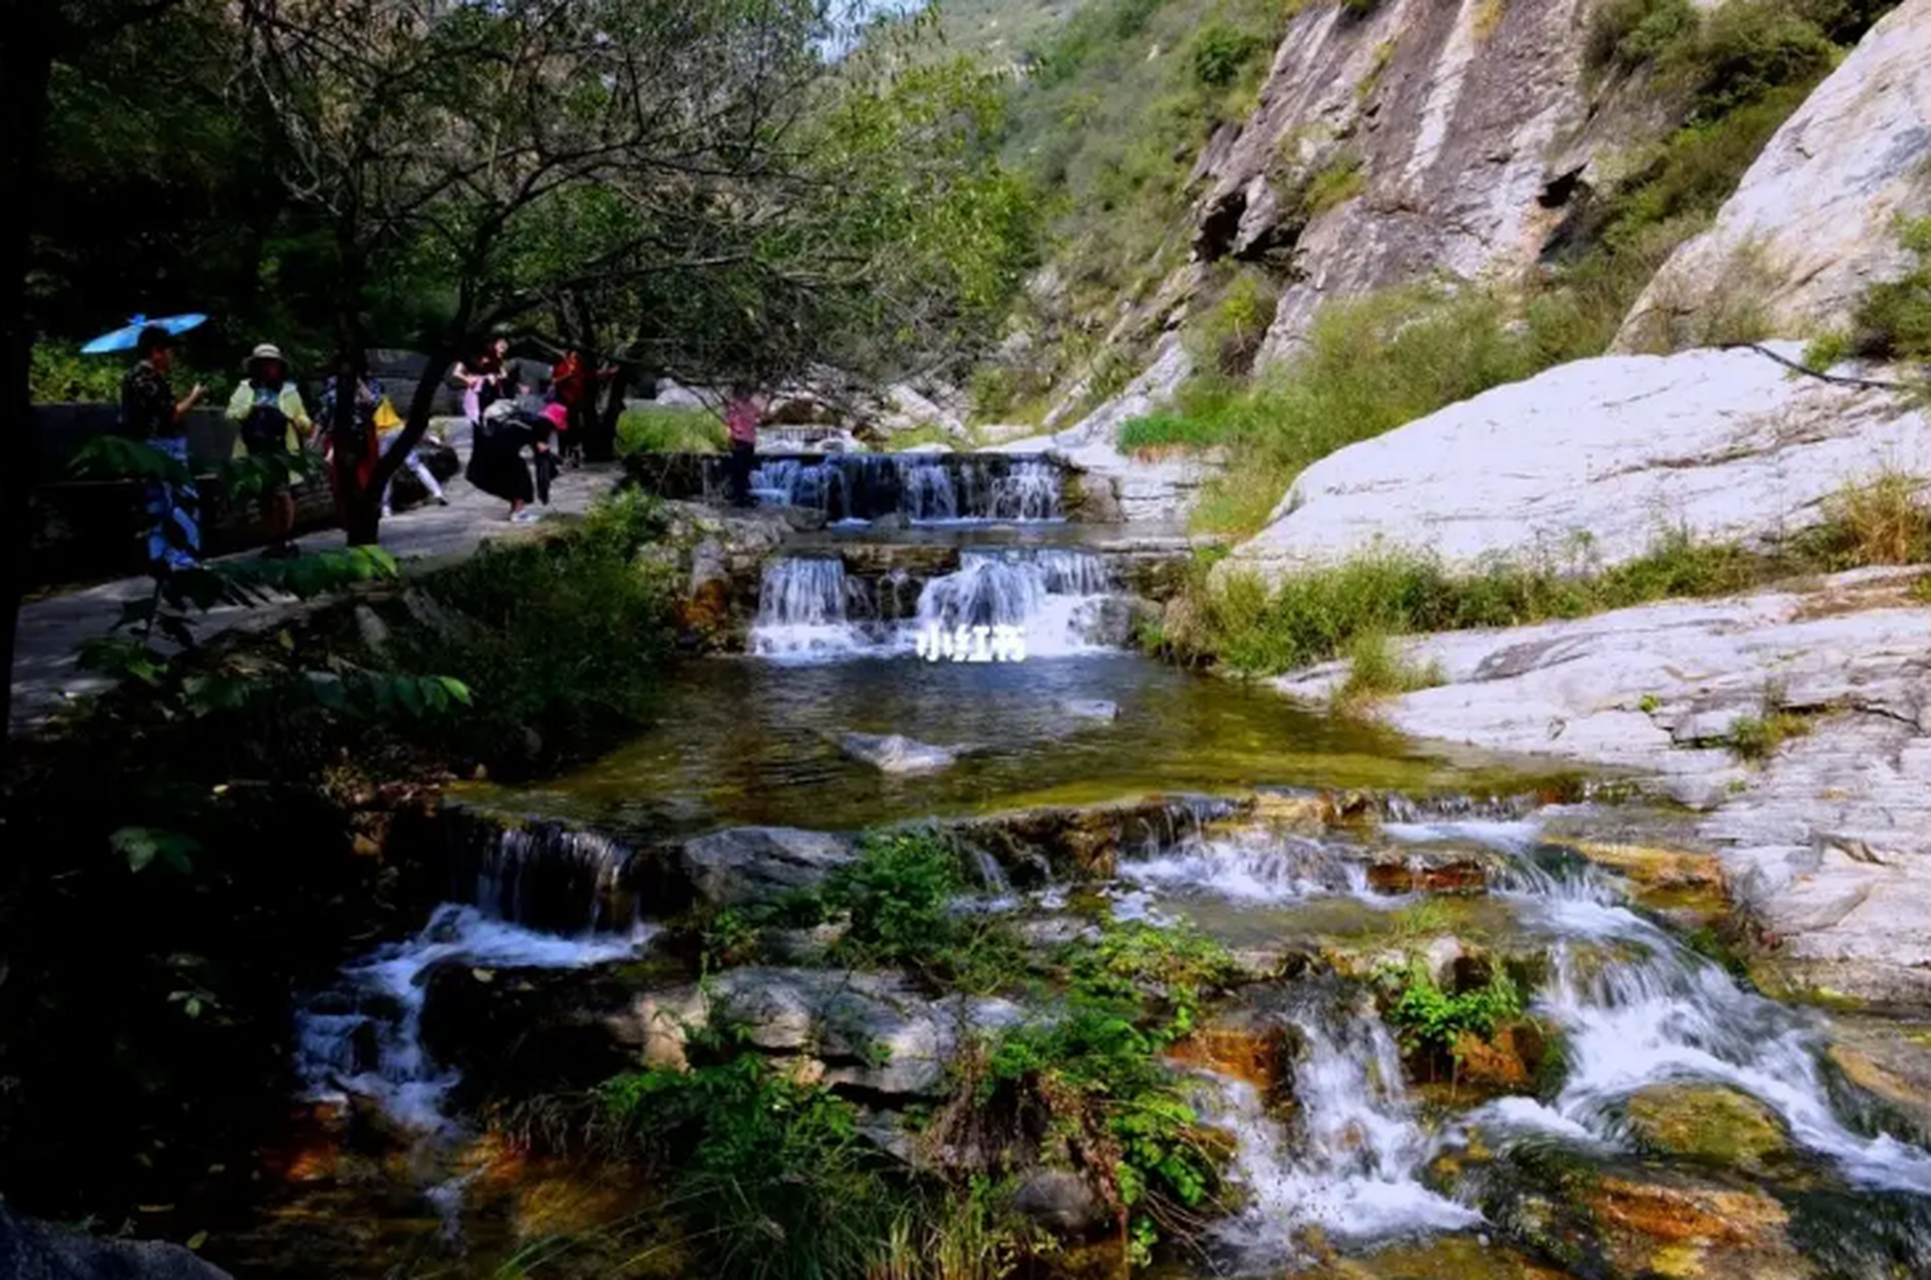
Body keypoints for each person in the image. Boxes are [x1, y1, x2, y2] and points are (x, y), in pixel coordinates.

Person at [120, 325, 207, 571]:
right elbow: (171, 416)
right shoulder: (149, 380)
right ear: (156, 352)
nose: (172, 358)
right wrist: (194, 396)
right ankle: (184, 556)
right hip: (164, 447)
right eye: (170, 352)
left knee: (156, 504)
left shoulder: (131, 378)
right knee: (182, 501)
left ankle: (159, 557)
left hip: (142, 448)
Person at [225, 342, 313, 558]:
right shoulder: (246, 388)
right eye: (263, 364)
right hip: (254, 450)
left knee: (283, 494)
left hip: (281, 450)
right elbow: (231, 414)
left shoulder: (288, 390)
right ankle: (273, 539)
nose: (268, 368)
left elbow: (302, 417)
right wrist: (251, 407)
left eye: (272, 364)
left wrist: (299, 421)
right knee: (264, 496)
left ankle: (286, 537)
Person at [550, 347, 614, 466]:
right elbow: (554, 381)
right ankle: (562, 453)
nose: (575, 360)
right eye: (573, 357)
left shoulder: (580, 368)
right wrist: (567, 375)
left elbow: (592, 375)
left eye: (577, 358)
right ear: (569, 357)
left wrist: (609, 372)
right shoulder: (561, 367)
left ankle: (574, 454)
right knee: (563, 429)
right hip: (564, 402)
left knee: (575, 428)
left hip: (576, 403)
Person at [724, 382, 760, 508]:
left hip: (750, 440)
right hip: (738, 439)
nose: (748, 394)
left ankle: (743, 495)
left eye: (749, 391)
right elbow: (728, 422)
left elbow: (761, 417)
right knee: (738, 469)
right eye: (746, 391)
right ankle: (738, 496)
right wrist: (729, 438)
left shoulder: (751, 406)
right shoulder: (734, 405)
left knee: (745, 470)